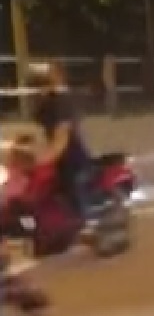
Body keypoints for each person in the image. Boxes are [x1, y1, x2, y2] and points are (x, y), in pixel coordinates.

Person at [27, 62, 94, 227]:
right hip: (58, 156)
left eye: (42, 82)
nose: (37, 87)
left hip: (71, 157)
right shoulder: (48, 102)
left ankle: (85, 225)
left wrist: (42, 159)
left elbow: (61, 140)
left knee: (71, 184)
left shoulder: (63, 101)